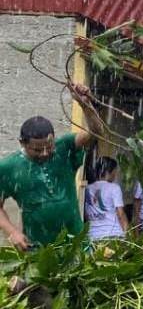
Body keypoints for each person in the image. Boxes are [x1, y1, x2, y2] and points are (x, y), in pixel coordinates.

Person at [0, 83, 102, 250]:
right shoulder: (8, 167)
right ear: (22, 143)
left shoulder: (64, 148)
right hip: (38, 250)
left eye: (49, 146)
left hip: (77, 245)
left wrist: (85, 105)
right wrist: (12, 232)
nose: (45, 153)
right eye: (37, 149)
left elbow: (96, 132)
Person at [84, 156, 128, 240]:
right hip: (112, 235)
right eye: (115, 171)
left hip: (93, 236)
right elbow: (120, 214)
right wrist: (126, 235)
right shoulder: (114, 188)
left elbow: (86, 215)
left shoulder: (87, 189)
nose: (115, 174)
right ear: (109, 171)